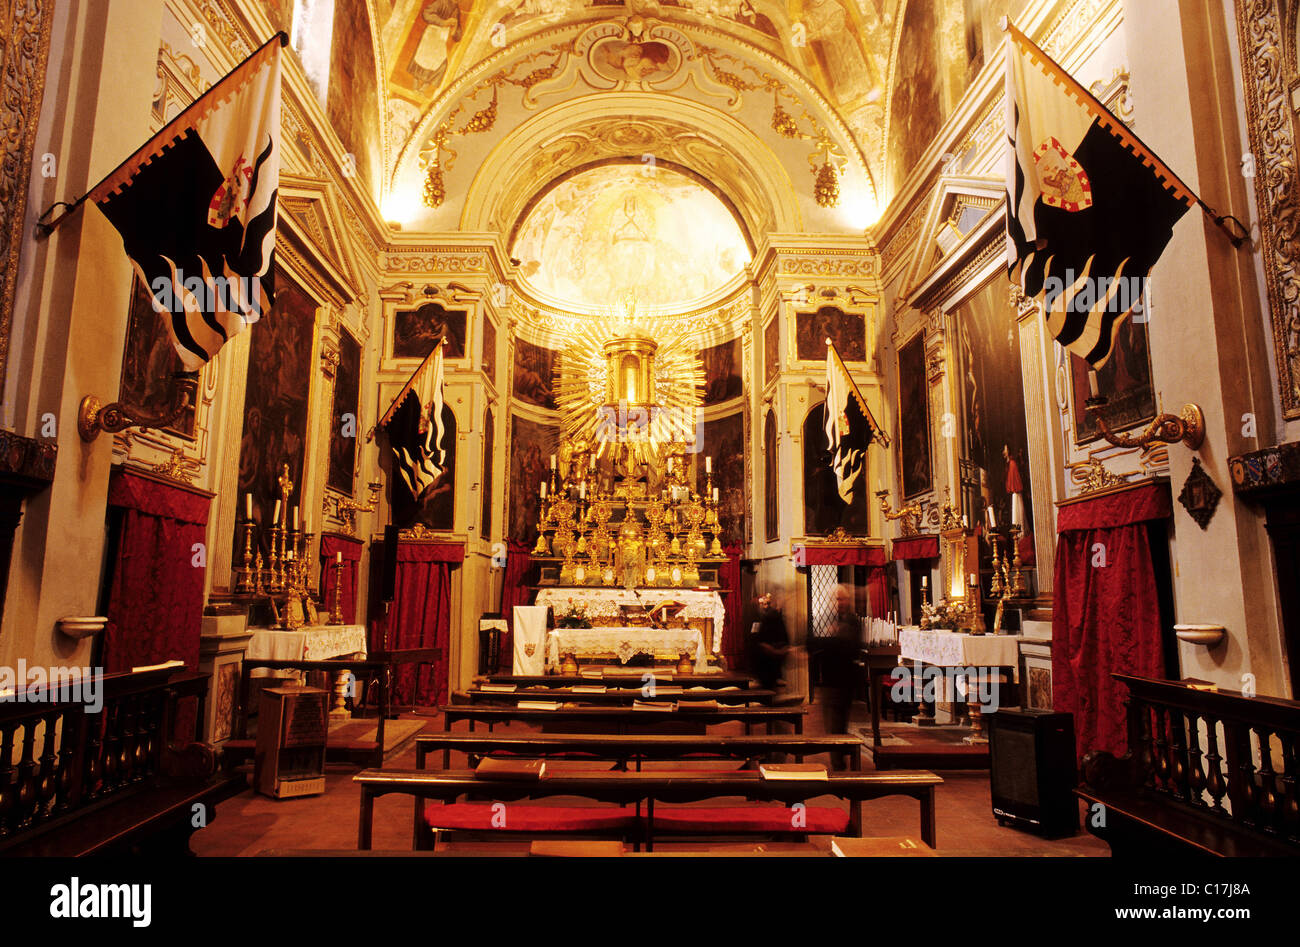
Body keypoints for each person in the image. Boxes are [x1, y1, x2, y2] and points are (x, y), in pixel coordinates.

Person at [821, 584, 862, 770]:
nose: (839, 603)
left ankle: (840, 765)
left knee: (836, 724)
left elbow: (844, 647)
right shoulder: (832, 620)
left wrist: (827, 641)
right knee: (834, 724)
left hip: (841, 679)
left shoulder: (851, 622)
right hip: (831, 679)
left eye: (841, 599)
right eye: (836, 599)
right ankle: (840, 760)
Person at [748, 592, 789, 693]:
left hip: (772, 646)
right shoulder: (759, 616)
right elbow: (755, 632)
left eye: (767, 603)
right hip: (765, 648)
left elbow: (780, 632)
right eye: (763, 604)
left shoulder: (773, 615)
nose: (765, 606)